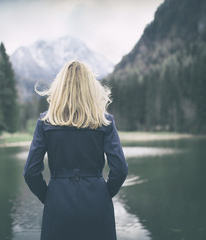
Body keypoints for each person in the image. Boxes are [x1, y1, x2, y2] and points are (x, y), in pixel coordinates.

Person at [23, 60, 128, 240]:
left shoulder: (45, 122)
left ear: (60, 87)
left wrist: (49, 197)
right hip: (97, 204)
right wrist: (102, 194)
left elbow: (31, 172)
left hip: (57, 204)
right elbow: (120, 170)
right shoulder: (105, 122)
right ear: (91, 87)